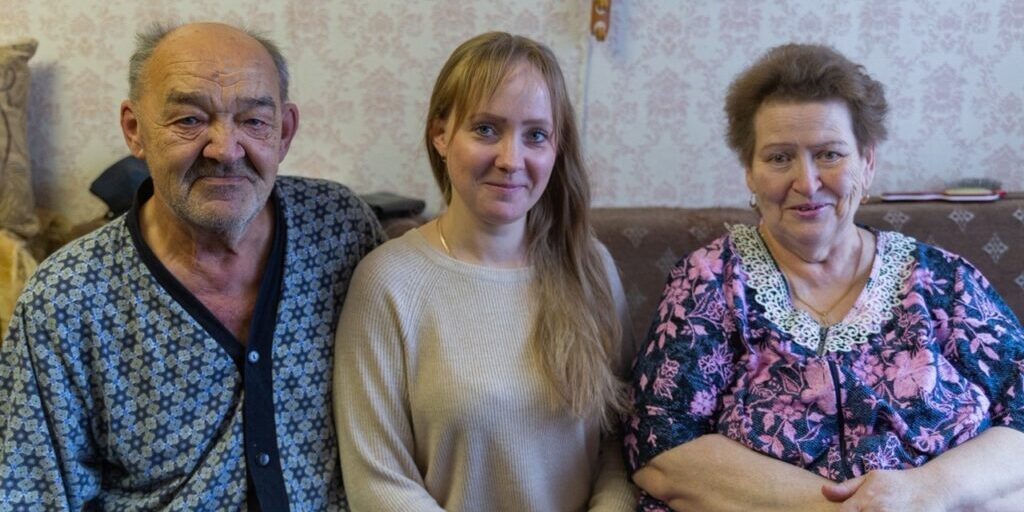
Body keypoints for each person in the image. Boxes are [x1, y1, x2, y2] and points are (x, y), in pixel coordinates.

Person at [625, 43, 1024, 511]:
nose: (808, 182)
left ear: (867, 162)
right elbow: (658, 443)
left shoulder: (944, 281)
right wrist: (835, 508)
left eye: (829, 154)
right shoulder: (709, 282)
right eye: (779, 158)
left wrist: (925, 492)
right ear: (749, 173)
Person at [0, 22, 383, 510]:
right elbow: (29, 493)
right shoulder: (67, 298)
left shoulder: (340, 230)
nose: (225, 149)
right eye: (189, 120)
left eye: (254, 121)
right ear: (135, 129)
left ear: (284, 131)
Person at [333, 32, 636, 511]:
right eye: (487, 129)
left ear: (557, 148)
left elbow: (619, 445)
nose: (511, 160)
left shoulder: (590, 267)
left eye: (535, 135)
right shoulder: (387, 283)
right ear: (441, 134)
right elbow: (378, 482)